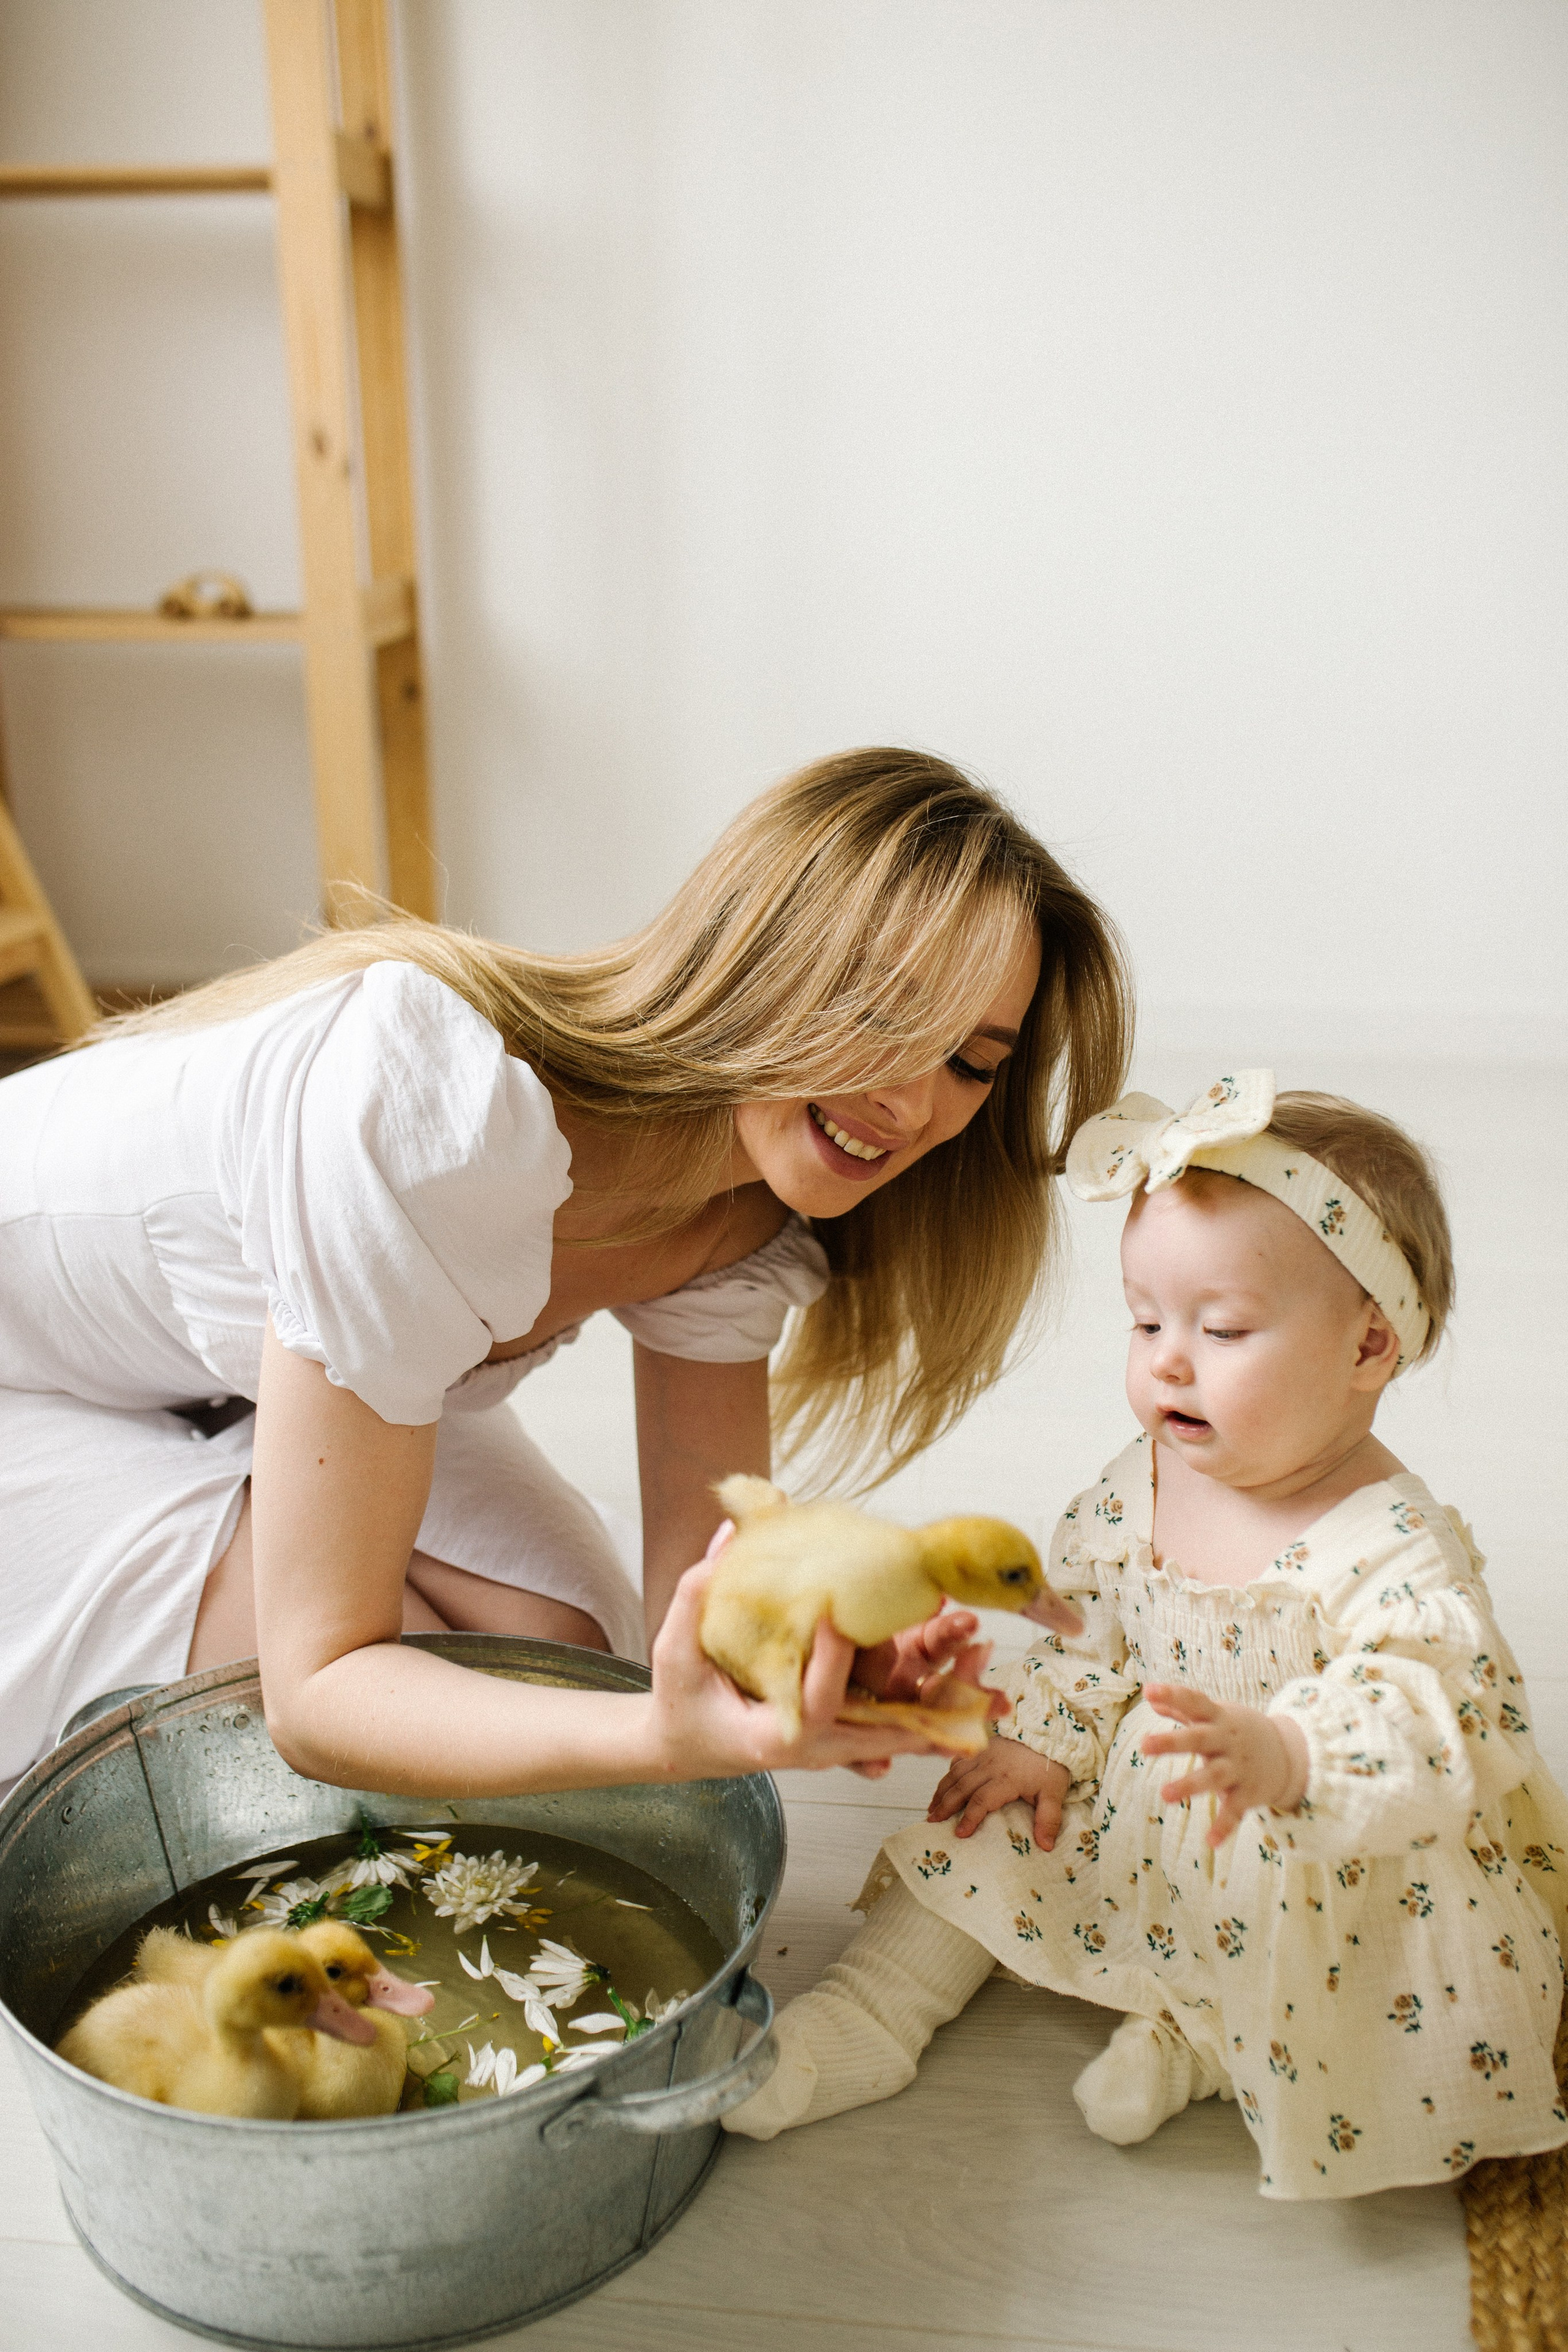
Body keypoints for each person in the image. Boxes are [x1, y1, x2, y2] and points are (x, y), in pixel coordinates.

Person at [0, 747, 1128, 1804]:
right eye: (881, 1012)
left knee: (565, 1657)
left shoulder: (750, 1217)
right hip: (26, 1389)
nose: (915, 1102)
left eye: (972, 1063)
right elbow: (319, 1694)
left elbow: (712, 1598)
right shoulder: (435, 1117)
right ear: (756, 954)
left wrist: (823, 1657)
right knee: (434, 1688)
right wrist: (655, 1742)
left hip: (220, 1378)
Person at [723, 1071, 1568, 2200]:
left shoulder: (1394, 1546)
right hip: (1144, 1787)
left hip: (1306, 1821)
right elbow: (1092, 1635)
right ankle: (870, 2013)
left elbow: (1437, 1710)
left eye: (1220, 1328)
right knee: (988, 1828)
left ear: (1370, 1346)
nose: (1169, 1358)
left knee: (1305, 1926)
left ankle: (1206, 2044)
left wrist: (1291, 1758)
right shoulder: (1148, 1482)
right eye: (1146, 1318)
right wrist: (1045, 1740)